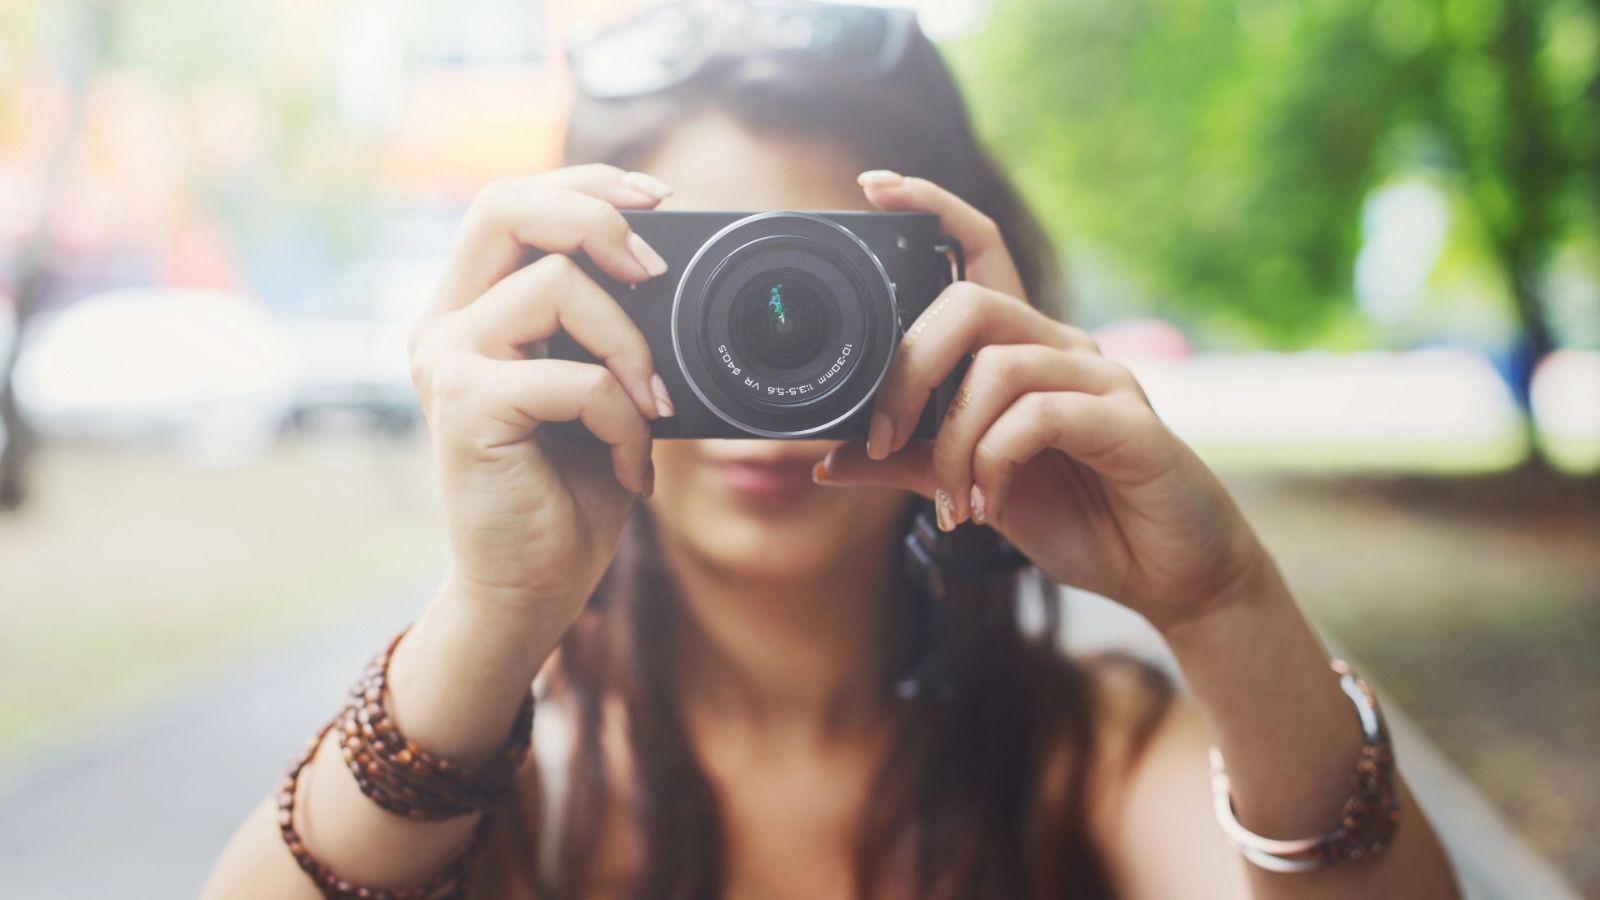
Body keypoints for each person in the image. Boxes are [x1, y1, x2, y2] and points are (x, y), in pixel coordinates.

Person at [205, 3, 1462, 898]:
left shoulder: (1089, 751)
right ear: (563, 307)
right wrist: (490, 613)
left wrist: (1218, 597)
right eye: (700, 302)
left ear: (966, 300)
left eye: (823, 297)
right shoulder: (507, 773)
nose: (764, 409)